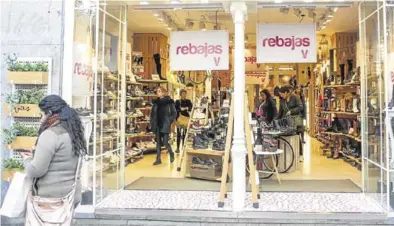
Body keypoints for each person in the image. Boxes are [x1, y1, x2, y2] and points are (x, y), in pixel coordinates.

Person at [21, 95, 87, 223]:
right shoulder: (73, 132)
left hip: (50, 199)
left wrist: (27, 159)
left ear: (49, 113)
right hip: (70, 195)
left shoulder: (50, 134)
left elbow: (36, 171)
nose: (40, 120)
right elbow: (62, 158)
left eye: (42, 115)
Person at [277, 86, 304, 161]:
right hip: (287, 121)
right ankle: (288, 153)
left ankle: (300, 154)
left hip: (295, 121)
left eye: (281, 94)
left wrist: (291, 111)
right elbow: (280, 113)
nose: (281, 95)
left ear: (286, 92)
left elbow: (301, 107)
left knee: (297, 136)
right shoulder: (282, 101)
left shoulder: (295, 97)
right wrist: (276, 120)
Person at [151, 86, 177, 165]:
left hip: (165, 123)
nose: (157, 92)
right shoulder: (155, 102)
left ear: (163, 92)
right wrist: (151, 123)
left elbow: (174, 113)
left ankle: (171, 153)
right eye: (157, 91)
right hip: (157, 123)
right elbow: (152, 114)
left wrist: (169, 120)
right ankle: (158, 159)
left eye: (159, 91)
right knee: (158, 142)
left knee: (165, 142)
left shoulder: (169, 102)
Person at [175, 89, 193, 153]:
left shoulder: (188, 101)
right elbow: (175, 109)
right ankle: (177, 148)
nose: (184, 95)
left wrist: (186, 108)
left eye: (185, 93)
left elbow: (191, 107)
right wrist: (180, 109)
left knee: (185, 134)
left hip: (186, 118)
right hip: (179, 119)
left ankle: (183, 147)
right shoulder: (177, 101)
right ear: (180, 94)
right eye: (183, 93)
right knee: (178, 134)